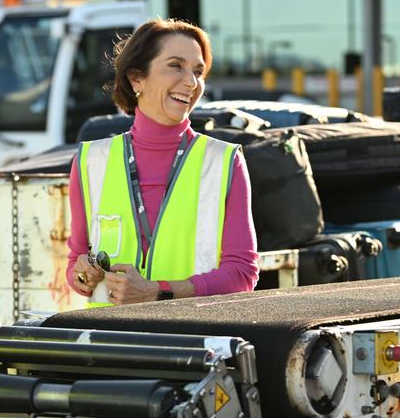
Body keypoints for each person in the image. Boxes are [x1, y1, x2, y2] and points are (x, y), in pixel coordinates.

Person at [66, 19, 259, 305]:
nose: (192, 82)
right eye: (175, 65)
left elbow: (242, 274)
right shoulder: (90, 161)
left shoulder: (224, 162)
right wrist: (84, 276)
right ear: (136, 79)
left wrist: (157, 291)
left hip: (194, 341)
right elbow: (75, 265)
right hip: (112, 341)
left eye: (198, 71)